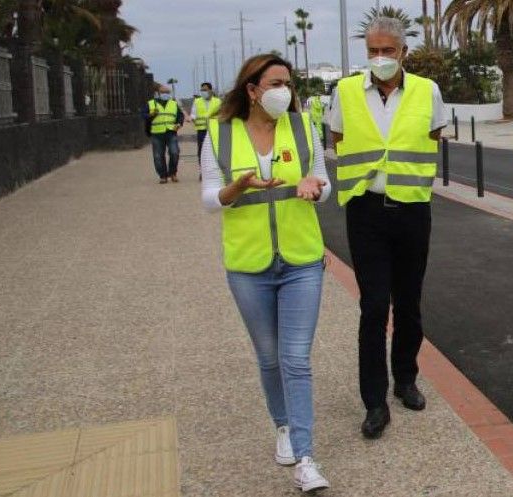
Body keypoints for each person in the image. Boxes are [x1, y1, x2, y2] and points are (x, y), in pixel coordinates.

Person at [200, 54, 331, 491]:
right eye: (276, 83)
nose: (285, 92)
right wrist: (232, 189)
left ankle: (306, 457)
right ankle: (283, 426)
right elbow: (207, 198)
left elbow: (321, 181)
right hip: (249, 265)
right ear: (252, 89)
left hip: (301, 259)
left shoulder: (302, 127)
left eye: (289, 84)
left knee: (296, 358)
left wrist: (316, 189)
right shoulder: (219, 134)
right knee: (270, 356)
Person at [326, 17, 448, 439]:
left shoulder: (426, 91)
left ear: (403, 53)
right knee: (374, 306)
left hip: (413, 208)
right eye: (373, 51)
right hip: (365, 209)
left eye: (388, 51)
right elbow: (339, 139)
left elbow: (432, 136)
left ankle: (406, 380)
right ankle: (374, 401)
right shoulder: (344, 91)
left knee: (409, 302)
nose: (380, 59)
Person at [142, 85, 184, 183]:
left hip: (171, 132)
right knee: (158, 156)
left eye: (167, 93)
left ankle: (173, 173)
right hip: (157, 133)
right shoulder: (151, 104)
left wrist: (179, 124)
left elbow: (180, 116)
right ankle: (163, 175)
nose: (165, 95)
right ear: (158, 93)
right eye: (163, 92)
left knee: (175, 153)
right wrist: (150, 115)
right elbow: (143, 115)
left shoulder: (173, 104)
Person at [190, 82, 221, 166]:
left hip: (215, 131)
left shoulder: (218, 101)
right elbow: (193, 115)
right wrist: (193, 119)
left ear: (210, 90)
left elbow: (222, 115)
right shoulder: (197, 101)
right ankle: (202, 170)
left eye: (205, 90)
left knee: (216, 150)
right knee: (202, 151)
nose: (203, 92)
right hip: (202, 131)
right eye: (202, 90)